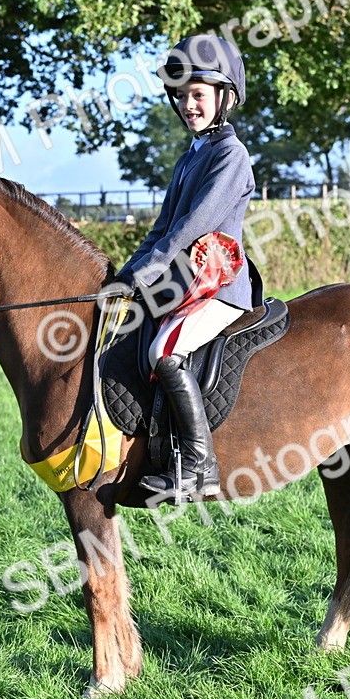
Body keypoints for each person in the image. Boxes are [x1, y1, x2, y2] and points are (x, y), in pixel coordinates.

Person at [113, 35, 256, 504]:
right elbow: (161, 230)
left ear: (224, 97)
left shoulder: (229, 156)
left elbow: (192, 228)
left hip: (218, 286)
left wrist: (145, 277)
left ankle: (199, 467)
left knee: (163, 351)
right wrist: (125, 275)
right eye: (182, 95)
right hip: (181, 283)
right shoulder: (189, 157)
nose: (188, 104)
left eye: (198, 94)